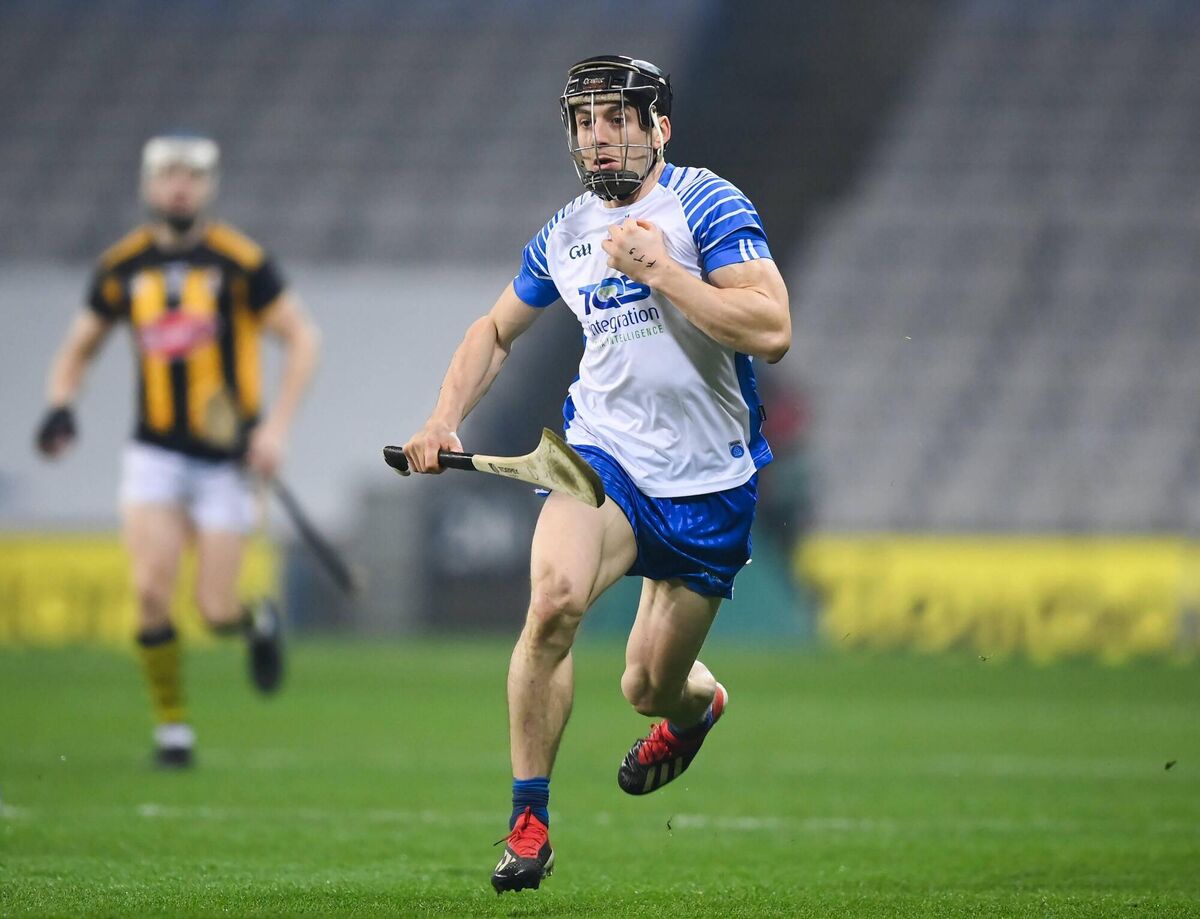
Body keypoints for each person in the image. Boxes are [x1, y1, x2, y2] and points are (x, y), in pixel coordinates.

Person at [403, 54, 790, 894]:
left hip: (708, 484)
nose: (600, 138)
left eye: (618, 119)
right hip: (599, 457)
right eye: (586, 122)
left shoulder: (707, 203)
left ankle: (700, 707)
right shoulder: (566, 231)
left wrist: (662, 272)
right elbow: (497, 330)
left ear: (660, 127)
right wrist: (443, 417)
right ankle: (528, 820)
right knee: (553, 603)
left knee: (650, 685)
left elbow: (770, 327)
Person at [34, 134, 321, 768]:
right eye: (168, 176)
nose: (179, 187)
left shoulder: (240, 262)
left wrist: (276, 429)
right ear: (149, 185)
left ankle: (254, 622)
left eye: (191, 176)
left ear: (208, 186)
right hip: (155, 454)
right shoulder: (124, 266)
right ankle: (172, 728)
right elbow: (79, 346)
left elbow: (302, 338)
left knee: (214, 610)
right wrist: (61, 404)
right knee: (149, 592)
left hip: (226, 462)